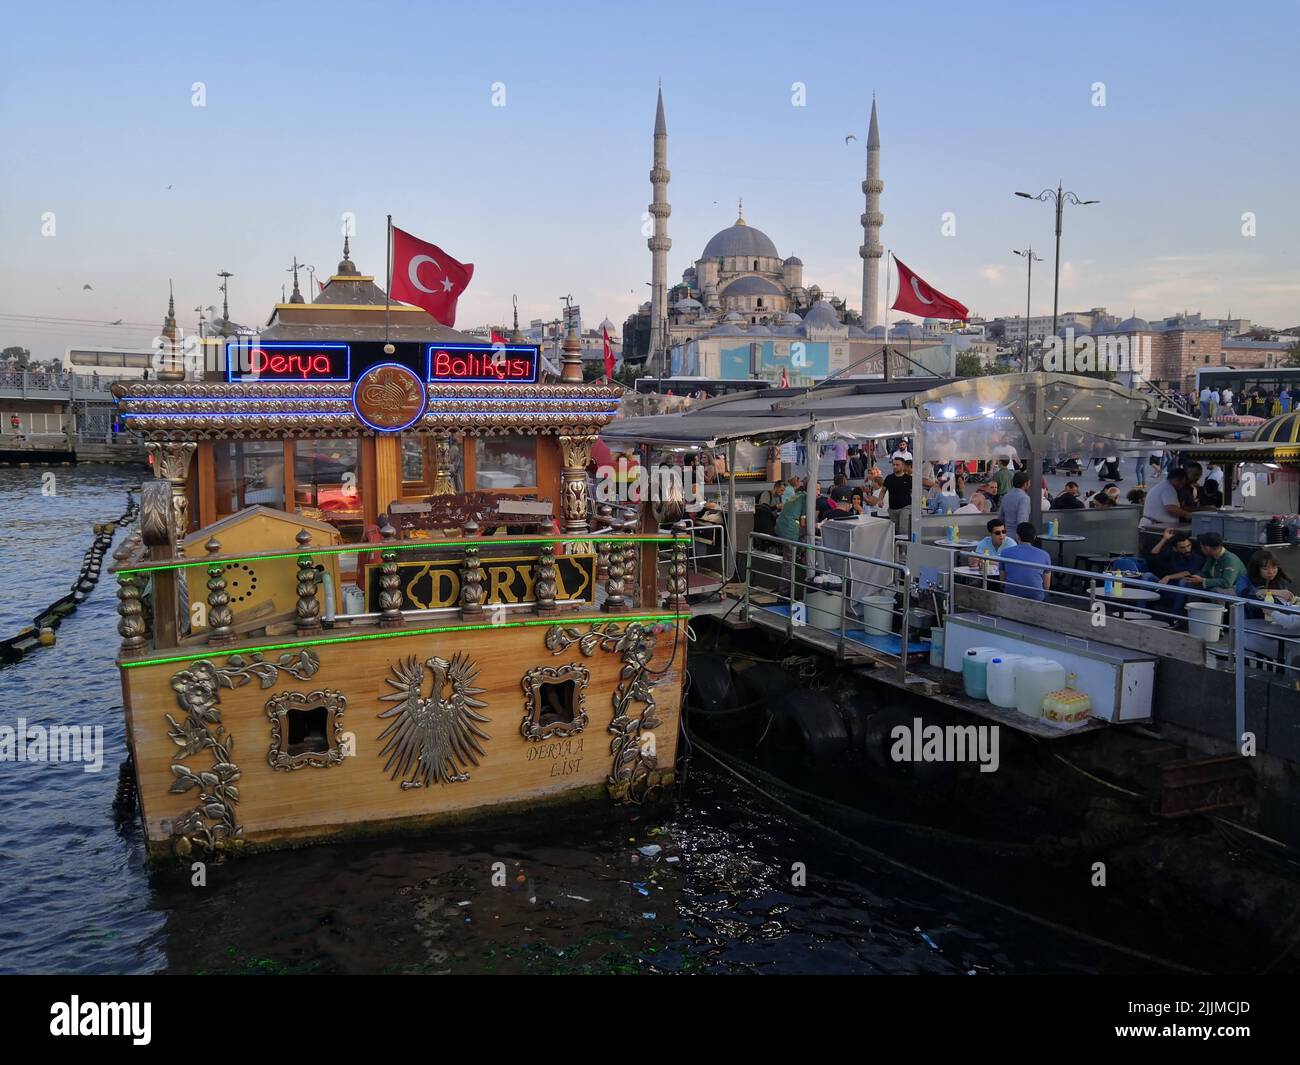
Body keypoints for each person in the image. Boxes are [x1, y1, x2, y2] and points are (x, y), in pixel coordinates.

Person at [1000, 522, 1052, 601]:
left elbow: (1002, 581)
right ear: (1034, 537)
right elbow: (1046, 586)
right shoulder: (1045, 555)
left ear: (1017, 536)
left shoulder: (1005, 552)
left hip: (1011, 594)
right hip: (1036, 597)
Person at [1181, 533, 1247, 595]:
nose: (1201, 549)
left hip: (1236, 588)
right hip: (1215, 584)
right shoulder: (1211, 556)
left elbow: (1227, 582)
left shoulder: (1230, 559)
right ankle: (1187, 607)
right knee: (1186, 582)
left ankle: (1220, 608)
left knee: (1216, 591)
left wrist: (1203, 581)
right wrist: (1194, 578)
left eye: (1201, 547)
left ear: (1207, 548)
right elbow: (1204, 572)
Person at [865, 457, 914, 536]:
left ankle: (905, 547)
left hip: (905, 507)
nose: (895, 466)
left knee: (903, 529)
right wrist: (880, 500)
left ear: (903, 466)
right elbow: (883, 491)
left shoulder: (909, 479)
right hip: (892, 509)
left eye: (897, 465)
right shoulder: (889, 478)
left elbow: (913, 492)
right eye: (893, 464)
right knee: (894, 531)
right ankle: (896, 546)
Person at [1244, 550, 1295, 618]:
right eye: (1265, 569)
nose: (1271, 572)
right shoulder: (1245, 579)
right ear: (1256, 569)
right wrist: (1273, 592)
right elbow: (1248, 594)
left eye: (1274, 568)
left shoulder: (1279, 580)